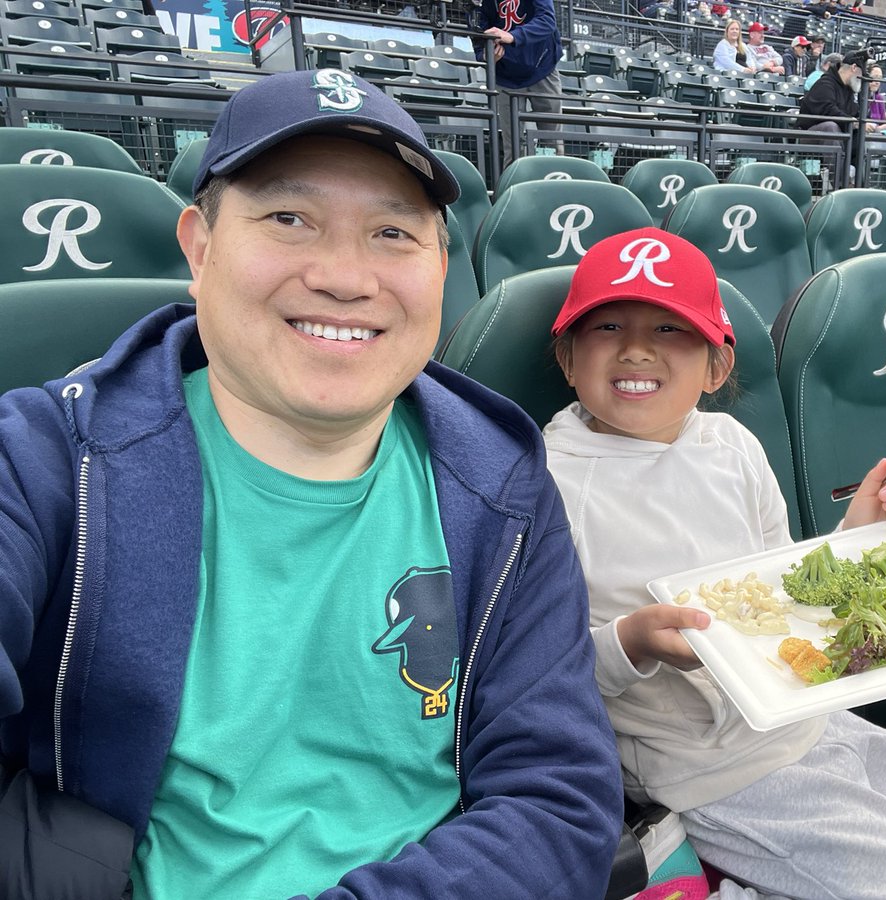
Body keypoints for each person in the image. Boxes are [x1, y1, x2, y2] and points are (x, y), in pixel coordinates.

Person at [0, 68, 624, 899]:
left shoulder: (502, 483)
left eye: (393, 234)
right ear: (199, 245)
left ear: (441, 263)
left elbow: (558, 802)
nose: (344, 276)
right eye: (288, 218)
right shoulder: (45, 461)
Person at [541, 227, 886, 899]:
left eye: (671, 330)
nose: (636, 347)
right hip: (711, 769)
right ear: (567, 357)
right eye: (607, 324)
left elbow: (776, 590)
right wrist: (632, 642)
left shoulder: (731, 443)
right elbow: (541, 673)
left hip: (814, 723)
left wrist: (854, 536)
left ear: (716, 367)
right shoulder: (544, 483)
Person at [472, 0, 563, 167]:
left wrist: (514, 36)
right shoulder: (479, 4)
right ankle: (513, 190)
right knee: (513, 147)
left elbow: (547, 21)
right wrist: (486, 55)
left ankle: (555, 186)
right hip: (506, 76)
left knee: (552, 143)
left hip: (542, 67)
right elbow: (478, 38)